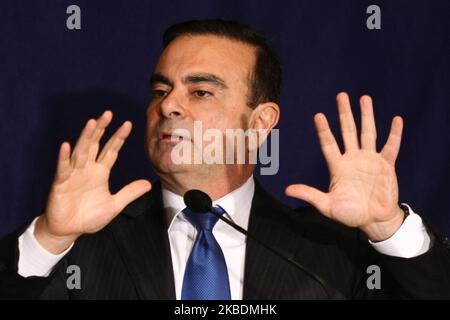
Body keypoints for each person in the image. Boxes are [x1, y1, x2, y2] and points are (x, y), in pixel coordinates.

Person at [0, 19, 449, 300]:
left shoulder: (330, 252)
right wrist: (49, 239)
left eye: (200, 91)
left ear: (260, 121)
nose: (168, 106)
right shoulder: (83, 244)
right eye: (160, 90)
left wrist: (388, 228)